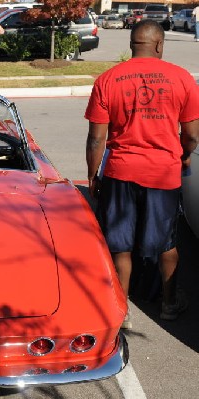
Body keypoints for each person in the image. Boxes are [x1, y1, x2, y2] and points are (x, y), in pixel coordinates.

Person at [85, 20, 199, 329]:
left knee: (120, 243)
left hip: (120, 172)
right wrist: (184, 155)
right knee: (167, 241)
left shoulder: (108, 79)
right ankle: (169, 302)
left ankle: (122, 309)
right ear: (160, 44)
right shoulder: (183, 79)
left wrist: (93, 175)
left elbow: (97, 138)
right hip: (163, 174)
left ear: (132, 44)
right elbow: (191, 135)